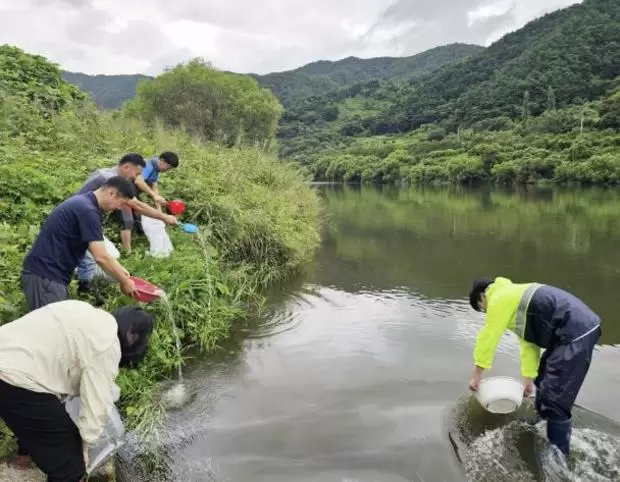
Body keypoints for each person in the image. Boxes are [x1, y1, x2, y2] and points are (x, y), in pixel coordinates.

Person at [0, 300, 154, 481]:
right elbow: (96, 404)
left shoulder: (82, 310)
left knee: (39, 421)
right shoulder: (107, 345)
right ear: (133, 338)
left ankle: (23, 458)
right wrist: (85, 448)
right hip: (17, 379)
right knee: (71, 468)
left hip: (9, 357)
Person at [467, 276, 601, 458]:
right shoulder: (513, 298)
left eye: (482, 309)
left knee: (555, 398)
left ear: (482, 297)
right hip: (568, 334)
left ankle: (557, 458)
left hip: (575, 332)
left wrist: (476, 376)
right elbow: (529, 345)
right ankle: (542, 429)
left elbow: (488, 338)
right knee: (544, 378)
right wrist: (528, 380)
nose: (485, 312)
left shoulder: (498, 298)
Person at [21, 176, 138, 312]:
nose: (119, 208)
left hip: (50, 275)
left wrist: (121, 271)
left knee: (58, 324)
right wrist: (124, 281)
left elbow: (101, 252)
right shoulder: (87, 210)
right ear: (111, 193)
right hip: (46, 275)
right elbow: (101, 257)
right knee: (52, 328)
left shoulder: (85, 203)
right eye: (121, 203)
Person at [76, 153, 179, 254]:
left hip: (85, 218)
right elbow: (137, 205)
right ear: (126, 167)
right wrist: (164, 217)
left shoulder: (113, 175)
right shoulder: (111, 180)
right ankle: (127, 252)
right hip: (78, 219)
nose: (136, 178)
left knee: (103, 256)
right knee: (106, 256)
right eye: (136, 174)